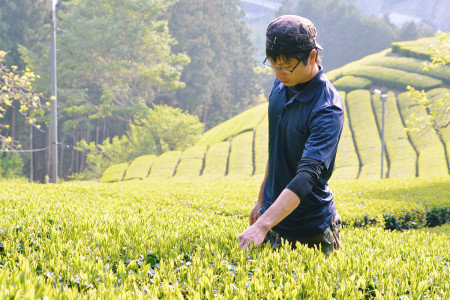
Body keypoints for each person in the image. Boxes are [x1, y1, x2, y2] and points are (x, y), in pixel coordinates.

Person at [238, 15, 343, 255]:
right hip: (273, 219)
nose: (278, 73)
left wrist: (262, 225)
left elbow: (308, 176)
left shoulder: (326, 109)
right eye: (273, 64)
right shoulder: (280, 84)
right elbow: (278, 147)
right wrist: (262, 199)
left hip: (311, 230)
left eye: (286, 66)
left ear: (313, 56)